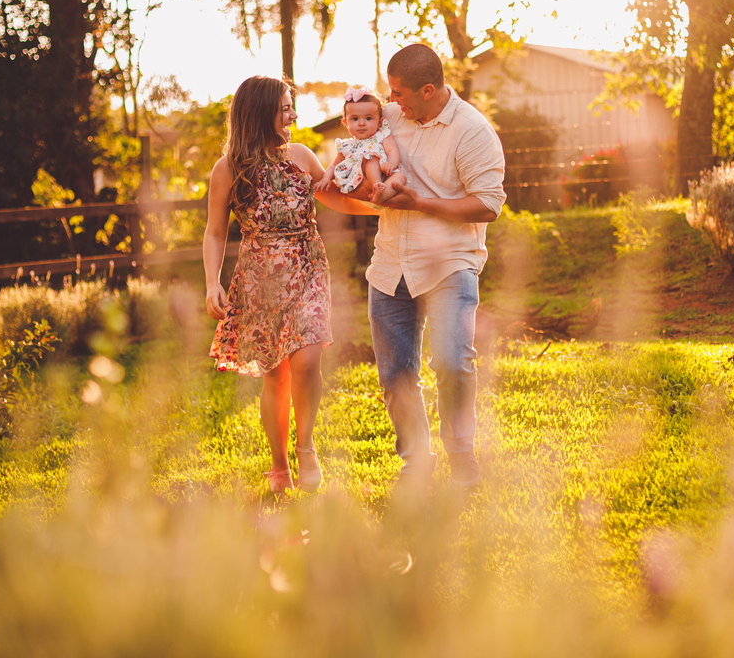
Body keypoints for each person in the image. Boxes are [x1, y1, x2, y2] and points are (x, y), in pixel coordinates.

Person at [203, 75, 374, 494]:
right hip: (260, 279)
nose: (294, 114)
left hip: (307, 267)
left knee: (307, 361)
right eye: (285, 107)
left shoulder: (300, 155)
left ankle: (305, 447)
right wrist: (212, 283)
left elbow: (332, 196)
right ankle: (279, 466)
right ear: (261, 113)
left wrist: (383, 210)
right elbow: (214, 232)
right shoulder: (227, 170)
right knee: (275, 375)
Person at [364, 44, 506, 491]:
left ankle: (461, 456)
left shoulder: (472, 131)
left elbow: (487, 204)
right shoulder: (389, 118)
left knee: (451, 361)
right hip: (390, 263)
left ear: (429, 89)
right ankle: (416, 462)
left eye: (401, 93)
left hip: (450, 263)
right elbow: (356, 152)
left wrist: (420, 203)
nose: (393, 102)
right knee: (396, 374)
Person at [313, 86, 405, 203]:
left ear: (379, 122)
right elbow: (334, 165)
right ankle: (376, 187)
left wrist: (391, 163)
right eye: (355, 119)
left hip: (384, 174)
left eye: (368, 118)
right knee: (370, 160)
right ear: (346, 123)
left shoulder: (381, 135)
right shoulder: (346, 146)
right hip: (358, 181)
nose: (361, 123)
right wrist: (326, 178)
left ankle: (380, 194)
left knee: (401, 177)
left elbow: (392, 150)